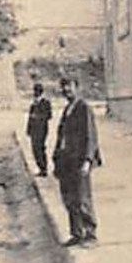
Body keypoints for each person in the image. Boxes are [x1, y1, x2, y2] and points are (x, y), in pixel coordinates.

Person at [52, 76, 101, 246]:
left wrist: (88, 160)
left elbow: (90, 136)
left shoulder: (83, 108)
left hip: (79, 161)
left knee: (82, 198)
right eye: (63, 87)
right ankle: (77, 233)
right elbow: (61, 136)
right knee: (69, 199)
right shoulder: (67, 109)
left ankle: (90, 234)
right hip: (66, 161)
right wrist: (56, 158)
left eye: (69, 87)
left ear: (77, 88)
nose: (66, 90)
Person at [25, 83, 53, 177]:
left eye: (37, 91)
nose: (35, 93)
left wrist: (37, 117)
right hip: (34, 130)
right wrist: (28, 130)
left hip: (41, 130)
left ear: (40, 92)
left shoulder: (45, 103)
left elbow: (48, 116)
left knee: (40, 148)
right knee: (34, 149)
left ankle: (44, 168)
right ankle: (40, 168)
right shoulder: (33, 104)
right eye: (35, 91)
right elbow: (29, 118)